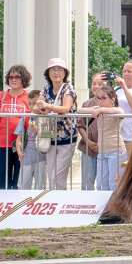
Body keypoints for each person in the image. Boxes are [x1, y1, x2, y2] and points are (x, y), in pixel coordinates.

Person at [0, 65, 31, 189]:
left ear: (24, 79)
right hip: (2, 143)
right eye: (11, 77)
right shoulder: (1, 96)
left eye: (17, 76)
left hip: (22, 143)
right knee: (1, 178)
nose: (14, 79)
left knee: (19, 178)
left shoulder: (28, 97)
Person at [38, 58, 78, 189]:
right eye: (53, 69)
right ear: (48, 73)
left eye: (60, 69)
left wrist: (47, 107)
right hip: (49, 137)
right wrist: (41, 108)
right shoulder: (46, 89)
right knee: (51, 176)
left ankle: (61, 204)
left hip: (66, 137)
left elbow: (66, 108)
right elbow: (36, 106)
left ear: (65, 73)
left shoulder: (68, 89)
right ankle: (55, 202)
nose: (56, 72)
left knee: (58, 177)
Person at [78, 83, 125, 190]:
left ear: (112, 99)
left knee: (115, 184)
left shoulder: (116, 110)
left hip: (116, 151)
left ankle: (115, 206)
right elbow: (80, 110)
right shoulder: (98, 108)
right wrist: (96, 110)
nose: (100, 101)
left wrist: (100, 110)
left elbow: (120, 112)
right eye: (98, 98)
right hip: (102, 152)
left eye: (103, 98)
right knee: (101, 185)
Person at [14, 90, 47, 189]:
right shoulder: (25, 118)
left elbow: (47, 136)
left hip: (41, 158)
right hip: (26, 158)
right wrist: (19, 152)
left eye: (35, 104)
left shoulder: (46, 118)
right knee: (23, 186)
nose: (32, 107)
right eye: (29, 104)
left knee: (40, 186)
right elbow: (19, 137)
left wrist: (37, 131)